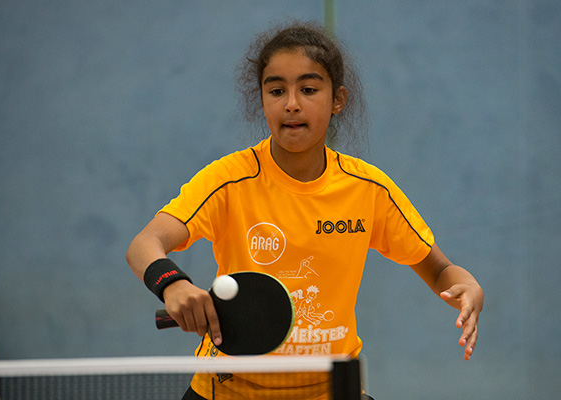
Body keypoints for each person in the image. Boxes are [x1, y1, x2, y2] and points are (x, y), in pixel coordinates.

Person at [126, 20, 484, 400]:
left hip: (332, 389)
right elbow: (144, 244)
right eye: (276, 90)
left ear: (337, 100)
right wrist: (173, 284)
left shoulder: (368, 189)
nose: (292, 103)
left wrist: (468, 287)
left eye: (309, 89)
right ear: (262, 100)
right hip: (231, 390)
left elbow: (439, 270)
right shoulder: (229, 180)